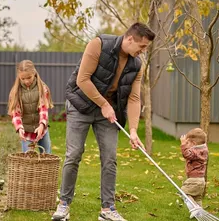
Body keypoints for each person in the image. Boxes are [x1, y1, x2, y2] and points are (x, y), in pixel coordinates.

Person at [52, 22, 155, 221]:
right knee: (73, 154)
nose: (143, 52)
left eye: (146, 49)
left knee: (110, 158)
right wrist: (103, 104)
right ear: (130, 39)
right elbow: (82, 79)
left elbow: (134, 98)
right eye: (142, 47)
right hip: (81, 105)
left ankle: (107, 210)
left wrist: (133, 130)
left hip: (107, 113)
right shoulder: (98, 44)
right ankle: (64, 204)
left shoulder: (136, 64)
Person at [7, 59, 54, 153]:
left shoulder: (42, 88)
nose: (26, 81)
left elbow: (43, 109)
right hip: (26, 131)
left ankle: (45, 168)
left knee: (47, 155)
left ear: (34, 73)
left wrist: (42, 125)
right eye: (23, 79)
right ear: (19, 77)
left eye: (29, 77)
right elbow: (15, 113)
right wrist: (19, 128)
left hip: (42, 129)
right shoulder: (15, 92)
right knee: (27, 159)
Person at [180, 128, 208, 218]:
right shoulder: (203, 149)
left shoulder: (195, 151)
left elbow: (186, 154)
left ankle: (195, 208)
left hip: (194, 179)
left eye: (188, 143)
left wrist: (183, 145)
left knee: (184, 193)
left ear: (194, 144)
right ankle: (199, 213)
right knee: (197, 197)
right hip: (201, 180)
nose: (187, 145)